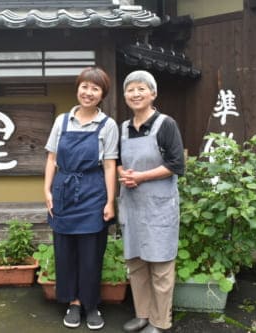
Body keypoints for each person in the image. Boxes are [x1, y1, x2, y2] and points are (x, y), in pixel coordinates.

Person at [44, 66, 119, 330]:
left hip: (93, 190)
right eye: (84, 86)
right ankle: (73, 302)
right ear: (78, 88)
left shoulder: (108, 125)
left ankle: (91, 304)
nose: (88, 92)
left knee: (91, 252)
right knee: (65, 251)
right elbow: (52, 159)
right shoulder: (62, 121)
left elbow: (110, 165)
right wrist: (47, 191)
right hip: (63, 190)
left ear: (102, 94)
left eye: (95, 88)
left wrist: (110, 201)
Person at [117, 70, 184, 333]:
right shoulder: (123, 128)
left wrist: (142, 176)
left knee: (160, 265)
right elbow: (116, 162)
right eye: (130, 89)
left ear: (153, 94)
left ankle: (160, 322)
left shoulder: (166, 124)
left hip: (159, 206)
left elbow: (176, 164)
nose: (135, 94)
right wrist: (125, 174)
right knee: (136, 263)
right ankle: (142, 314)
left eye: (141, 89)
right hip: (132, 205)